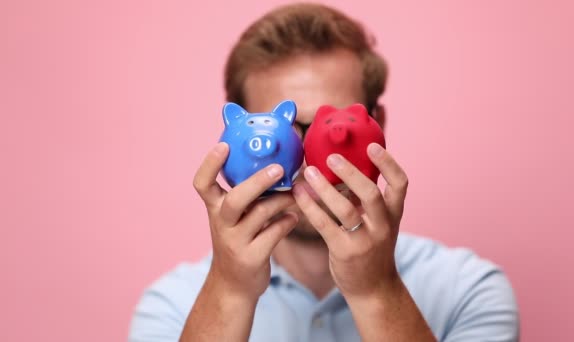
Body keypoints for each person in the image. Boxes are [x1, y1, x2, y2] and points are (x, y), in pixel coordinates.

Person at [129, 3, 519, 342]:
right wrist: (229, 292)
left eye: (326, 127)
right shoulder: (171, 306)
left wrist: (376, 292)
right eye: (286, 128)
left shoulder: (468, 290)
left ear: (376, 124)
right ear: (234, 130)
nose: (303, 157)